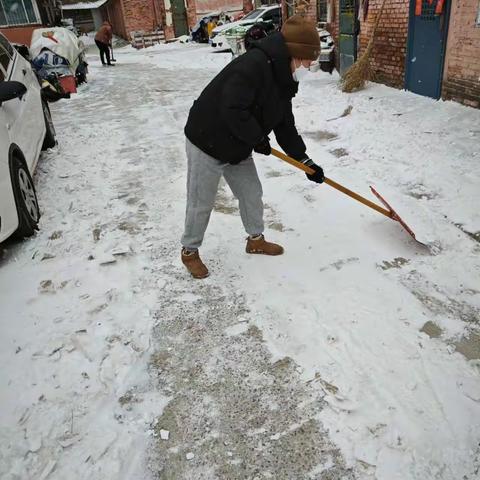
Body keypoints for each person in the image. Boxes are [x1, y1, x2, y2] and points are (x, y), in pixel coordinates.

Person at [181, 15, 324, 279]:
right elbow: (231, 107)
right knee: (201, 201)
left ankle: (255, 240)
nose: (311, 65)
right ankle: (190, 251)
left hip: (238, 141)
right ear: (295, 52)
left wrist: (304, 160)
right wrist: (257, 138)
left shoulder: (284, 76)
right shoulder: (253, 66)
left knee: (250, 193)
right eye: (309, 59)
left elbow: (284, 122)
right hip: (207, 138)